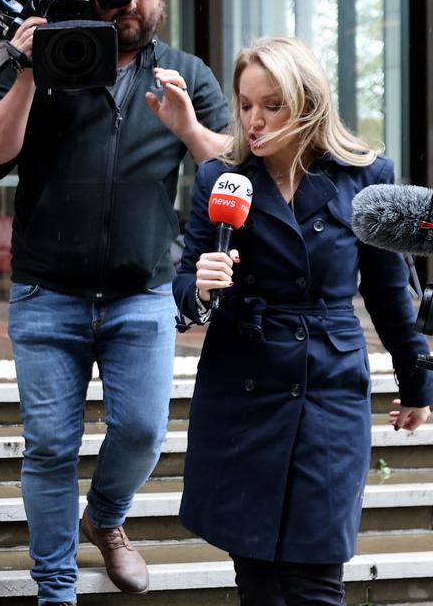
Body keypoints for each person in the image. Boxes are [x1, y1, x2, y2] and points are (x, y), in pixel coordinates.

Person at [0, 0, 230, 603]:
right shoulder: (43, 56)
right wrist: (28, 69)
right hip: (47, 291)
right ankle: (56, 587)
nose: (127, 0)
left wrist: (188, 129)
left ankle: (107, 519)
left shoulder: (186, 72)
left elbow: (233, 170)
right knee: (51, 448)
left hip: (140, 294)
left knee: (143, 430)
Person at [173, 36, 433, 605]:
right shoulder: (221, 177)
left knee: (316, 577)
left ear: (308, 101)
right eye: (245, 105)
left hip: (330, 389)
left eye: (272, 105)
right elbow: (182, 290)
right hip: (243, 385)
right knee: (258, 577)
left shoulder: (366, 178)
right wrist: (199, 284)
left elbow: (390, 296)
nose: (255, 121)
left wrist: (417, 383)